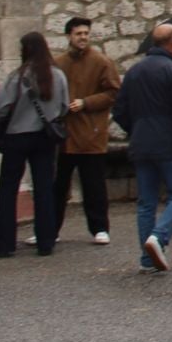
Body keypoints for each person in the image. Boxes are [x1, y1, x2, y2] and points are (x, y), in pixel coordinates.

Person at [113, 22, 172, 269]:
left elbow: (119, 110)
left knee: (146, 202)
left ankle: (147, 259)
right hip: (168, 141)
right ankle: (159, 237)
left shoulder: (134, 71)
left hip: (141, 141)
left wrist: (135, 128)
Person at [0, 31, 70, 258]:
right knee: (44, 188)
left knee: (7, 189)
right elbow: (64, 107)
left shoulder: (17, 76)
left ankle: (4, 243)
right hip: (44, 137)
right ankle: (46, 241)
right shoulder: (57, 75)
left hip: (17, 136)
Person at [53, 17, 120, 244]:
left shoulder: (101, 62)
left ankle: (100, 228)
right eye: (78, 33)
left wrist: (86, 102)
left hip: (91, 133)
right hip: (64, 135)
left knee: (94, 186)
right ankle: (50, 229)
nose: (83, 37)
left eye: (85, 33)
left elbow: (113, 92)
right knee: (58, 187)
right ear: (68, 36)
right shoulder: (58, 63)